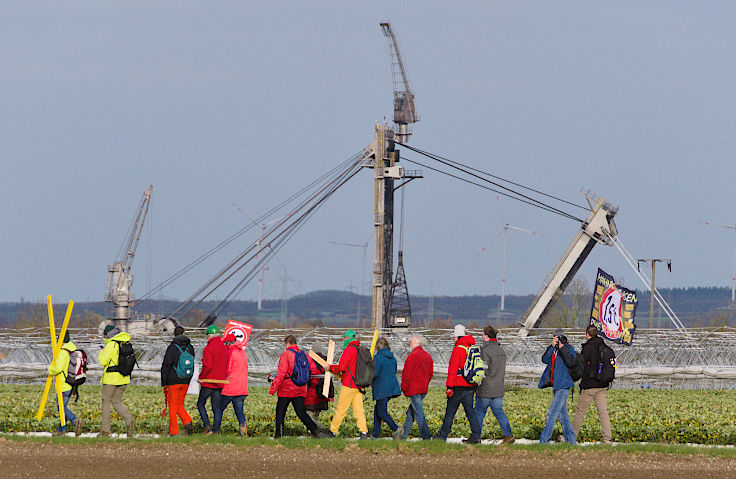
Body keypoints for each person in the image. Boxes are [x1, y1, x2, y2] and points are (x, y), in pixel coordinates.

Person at [269, 335, 322, 438]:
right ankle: (315, 431)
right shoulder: (304, 355)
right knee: (301, 413)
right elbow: (314, 370)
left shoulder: (285, 354)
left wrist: (273, 389)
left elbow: (281, 374)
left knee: (280, 412)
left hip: (286, 389)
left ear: (287, 343)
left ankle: (279, 435)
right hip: (301, 389)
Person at [436, 324, 482, 443]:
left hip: (458, 386)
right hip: (470, 386)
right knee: (470, 413)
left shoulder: (458, 349)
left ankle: (443, 436)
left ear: (457, 337)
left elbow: (453, 370)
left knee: (450, 412)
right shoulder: (471, 348)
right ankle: (476, 437)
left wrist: (449, 387)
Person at [572, 325, 613, 444]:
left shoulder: (588, 348)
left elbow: (582, 366)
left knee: (580, 412)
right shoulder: (603, 345)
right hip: (602, 385)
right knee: (603, 412)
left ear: (587, 334)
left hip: (589, 386)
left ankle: (571, 437)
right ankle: (607, 438)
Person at [475, 325, 514, 444]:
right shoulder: (501, 351)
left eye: (483, 335)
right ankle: (508, 435)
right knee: (499, 412)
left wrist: (476, 385)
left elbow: (482, 370)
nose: (482, 337)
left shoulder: (485, 350)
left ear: (486, 337)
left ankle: (475, 437)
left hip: (486, 388)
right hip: (498, 387)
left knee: (479, 413)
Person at [538, 329, 577, 445]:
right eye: (555, 337)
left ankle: (544, 442)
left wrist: (562, 347)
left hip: (564, 386)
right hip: (556, 386)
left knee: (551, 413)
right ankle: (571, 441)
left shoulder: (568, 349)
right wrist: (551, 346)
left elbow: (571, 362)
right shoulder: (553, 350)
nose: (558, 340)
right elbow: (544, 359)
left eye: (559, 338)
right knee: (563, 416)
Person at [328, 329, 369, 439]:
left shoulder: (349, 350)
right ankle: (363, 432)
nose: (344, 340)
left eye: (344, 338)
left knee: (341, 409)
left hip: (349, 384)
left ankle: (333, 431)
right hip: (359, 385)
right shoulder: (360, 349)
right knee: (359, 410)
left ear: (348, 338)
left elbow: (341, 367)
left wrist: (329, 367)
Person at [98, 325, 135, 437]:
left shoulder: (111, 344)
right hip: (124, 378)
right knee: (117, 402)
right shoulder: (126, 343)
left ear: (108, 335)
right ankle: (130, 421)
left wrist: (102, 351)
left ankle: (105, 431)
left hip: (111, 379)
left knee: (106, 403)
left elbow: (102, 361)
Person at [161, 326, 195, 436]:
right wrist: (189, 379)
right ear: (184, 333)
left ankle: (174, 431)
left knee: (172, 406)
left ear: (174, 334)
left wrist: (164, 381)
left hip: (173, 381)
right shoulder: (190, 347)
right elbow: (192, 365)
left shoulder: (172, 347)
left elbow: (166, 365)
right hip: (185, 380)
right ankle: (187, 422)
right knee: (179, 404)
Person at [47, 331, 83, 436]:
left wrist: (49, 369)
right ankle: (61, 430)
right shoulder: (73, 350)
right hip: (71, 383)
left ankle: (75, 421)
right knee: (63, 407)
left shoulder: (64, 352)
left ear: (62, 341)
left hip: (63, 384)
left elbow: (58, 368)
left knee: (61, 408)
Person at [400, 334, 433, 440]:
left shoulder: (412, 356)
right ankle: (403, 436)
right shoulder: (427, 356)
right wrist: (425, 382)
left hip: (414, 390)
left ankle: (426, 437)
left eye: (410, 342)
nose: (409, 344)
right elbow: (430, 373)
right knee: (411, 413)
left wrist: (404, 388)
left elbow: (406, 374)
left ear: (413, 343)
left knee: (419, 414)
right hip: (423, 389)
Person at [197, 324, 228, 435]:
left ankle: (207, 426)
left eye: (207, 336)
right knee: (217, 408)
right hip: (220, 383)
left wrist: (201, 377)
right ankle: (216, 431)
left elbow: (207, 366)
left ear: (210, 336)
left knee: (200, 404)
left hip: (208, 383)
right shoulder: (225, 348)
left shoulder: (208, 348)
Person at [371, 337, 402, 439]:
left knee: (381, 411)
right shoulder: (392, 358)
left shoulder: (378, 358)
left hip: (381, 388)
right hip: (391, 388)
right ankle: (375, 434)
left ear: (378, 347)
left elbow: (375, 373)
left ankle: (396, 428)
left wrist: (367, 377)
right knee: (378, 410)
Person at [218, 333, 249, 436]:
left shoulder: (231, 352)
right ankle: (243, 433)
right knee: (239, 412)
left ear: (229, 342)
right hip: (241, 387)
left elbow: (227, 369)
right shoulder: (242, 352)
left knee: (219, 409)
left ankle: (216, 430)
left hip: (230, 387)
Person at [304, 340, 333, 431]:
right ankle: (314, 433)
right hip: (322, 394)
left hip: (311, 393)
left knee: (308, 417)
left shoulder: (309, 360)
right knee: (315, 416)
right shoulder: (326, 361)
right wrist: (331, 395)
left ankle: (321, 430)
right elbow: (329, 379)